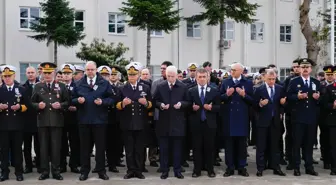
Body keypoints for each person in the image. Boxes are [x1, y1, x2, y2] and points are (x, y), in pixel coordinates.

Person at [72, 61, 114, 181]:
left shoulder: (104, 83)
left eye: (92, 69)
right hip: (84, 120)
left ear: (96, 70)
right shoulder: (79, 83)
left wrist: (103, 102)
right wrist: (77, 101)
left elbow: (111, 99)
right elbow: (71, 99)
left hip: (100, 121)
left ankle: (101, 171)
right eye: (88, 70)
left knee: (100, 148)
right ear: (85, 71)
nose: (90, 72)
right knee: (84, 148)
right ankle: (84, 171)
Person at [31, 62, 70, 180]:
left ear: (54, 72)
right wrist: (38, 105)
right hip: (42, 121)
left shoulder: (61, 86)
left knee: (56, 148)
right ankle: (44, 172)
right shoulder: (38, 86)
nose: (47, 75)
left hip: (56, 121)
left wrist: (61, 105)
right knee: (43, 148)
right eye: (45, 72)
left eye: (50, 72)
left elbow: (67, 102)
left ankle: (56, 171)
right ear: (42, 72)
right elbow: (32, 103)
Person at [116, 63, 152, 179]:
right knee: (129, 148)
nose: (132, 77)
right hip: (127, 123)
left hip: (141, 122)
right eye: (130, 75)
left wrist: (145, 103)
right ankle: (130, 170)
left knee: (140, 148)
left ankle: (139, 169)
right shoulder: (122, 88)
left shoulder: (145, 87)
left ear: (138, 75)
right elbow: (116, 105)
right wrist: (122, 104)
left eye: (134, 75)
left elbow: (151, 104)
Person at [153, 65, 190, 179]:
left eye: (172, 76)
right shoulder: (160, 86)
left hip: (178, 123)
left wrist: (181, 104)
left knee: (177, 149)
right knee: (164, 149)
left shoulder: (183, 87)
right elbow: (154, 100)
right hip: (164, 122)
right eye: (168, 76)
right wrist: (161, 105)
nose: (170, 78)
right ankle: (164, 170)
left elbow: (188, 102)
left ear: (176, 76)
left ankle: (177, 170)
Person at [287, 58, 320, 176]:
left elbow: (320, 98)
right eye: (303, 67)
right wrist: (297, 96)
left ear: (310, 69)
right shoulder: (294, 81)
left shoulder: (316, 82)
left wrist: (318, 98)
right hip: (298, 117)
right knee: (297, 143)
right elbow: (288, 96)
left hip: (311, 118)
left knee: (309, 143)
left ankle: (309, 166)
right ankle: (296, 167)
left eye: (307, 67)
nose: (305, 69)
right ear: (300, 69)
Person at [220, 62, 253, 177]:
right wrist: (227, 95)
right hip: (229, 117)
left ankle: (241, 167)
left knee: (241, 145)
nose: (231, 72)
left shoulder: (247, 83)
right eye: (231, 70)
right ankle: (230, 167)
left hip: (242, 118)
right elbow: (219, 98)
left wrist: (244, 95)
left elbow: (252, 101)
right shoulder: (226, 82)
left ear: (240, 71)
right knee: (229, 145)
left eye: (234, 70)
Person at [253, 68, 287, 177]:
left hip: (275, 121)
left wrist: (282, 107)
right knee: (261, 146)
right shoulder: (258, 89)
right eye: (269, 79)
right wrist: (261, 104)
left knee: (275, 146)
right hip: (262, 121)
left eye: (273, 79)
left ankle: (276, 167)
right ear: (264, 78)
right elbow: (253, 106)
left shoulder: (280, 88)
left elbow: (282, 104)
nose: (271, 81)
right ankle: (260, 168)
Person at [187, 68, 220, 178]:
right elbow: (186, 107)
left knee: (210, 148)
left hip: (209, 124)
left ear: (208, 78)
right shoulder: (191, 91)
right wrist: (192, 108)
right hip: (196, 124)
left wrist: (211, 108)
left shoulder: (214, 90)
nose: (201, 79)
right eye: (199, 77)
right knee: (196, 148)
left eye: (204, 77)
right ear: (196, 78)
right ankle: (197, 170)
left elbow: (219, 107)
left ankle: (210, 169)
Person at [0, 65, 27, 181]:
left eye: (9, 76)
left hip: (17, 125)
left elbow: (28, 106)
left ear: (14, 76)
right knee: (4, 150)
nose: (7, 78)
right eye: (5, 76)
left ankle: (19, 172)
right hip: (3, 125)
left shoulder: (21, 89)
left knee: (17, 151)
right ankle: (4, 172)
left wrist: (20, 107)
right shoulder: (0, 90)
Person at [59, 64, 80, 173]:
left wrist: (75, 106)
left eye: (68, 73)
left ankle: (74, 164)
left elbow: (80, 99)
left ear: (72, 74)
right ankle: (62, 165)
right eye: (64, 73)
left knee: (74, 143)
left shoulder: (77, 86)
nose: (66, 76)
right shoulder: (58, 86)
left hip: (74, 118)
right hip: (61, 118)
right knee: (62, 143)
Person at [22, 66, 41, 174]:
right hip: (26, 120)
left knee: (39, 145)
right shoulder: (22, 87)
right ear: (26, 74)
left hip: (39, 118)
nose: (30, 74)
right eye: (28, 72)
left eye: (32, 72)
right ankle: (28, 166)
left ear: (36, 73)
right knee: (27, 146)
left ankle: (39, 165)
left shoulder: (41, 85)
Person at [319, 65, 335, 170]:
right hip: (323, 116)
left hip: (333, 117)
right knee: (324, 139)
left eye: (331, 74)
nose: (329, 77)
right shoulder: (321, 85)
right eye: (327, 74)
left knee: (333, 140)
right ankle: (326, 160)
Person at [323, 66, 336, 175]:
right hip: (332, 120)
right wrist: (333, 105)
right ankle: (333, 167)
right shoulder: (329, 88)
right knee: (332, 144)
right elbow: (324, 104)